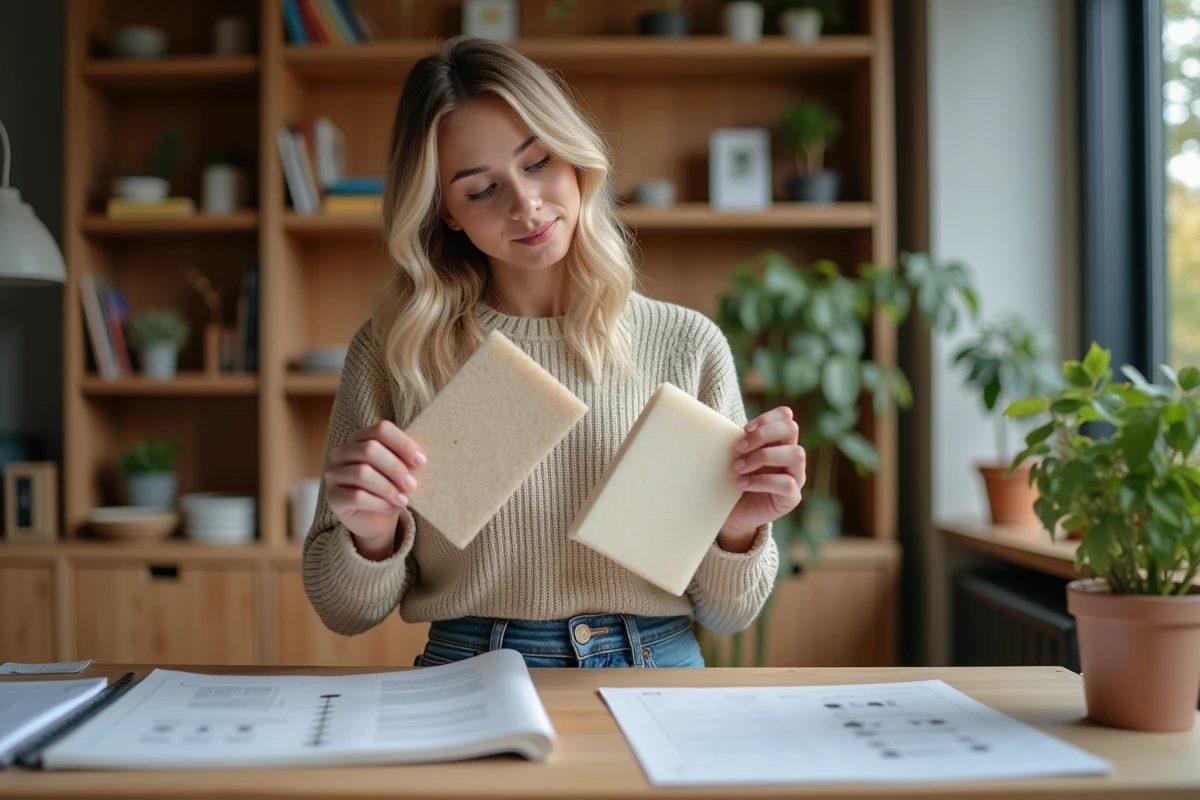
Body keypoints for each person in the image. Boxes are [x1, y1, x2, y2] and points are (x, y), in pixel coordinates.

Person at [302, 35, 806, 669]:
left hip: (659, 663)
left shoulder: (688, 345)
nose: (526, 204)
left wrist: (737, 529)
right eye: (481, 189)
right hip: (470, 668)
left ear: (574, 158)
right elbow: (343, 612)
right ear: (446, 213)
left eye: (537, 161)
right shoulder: (396, 351)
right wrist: (371, 535)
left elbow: (730, 613)